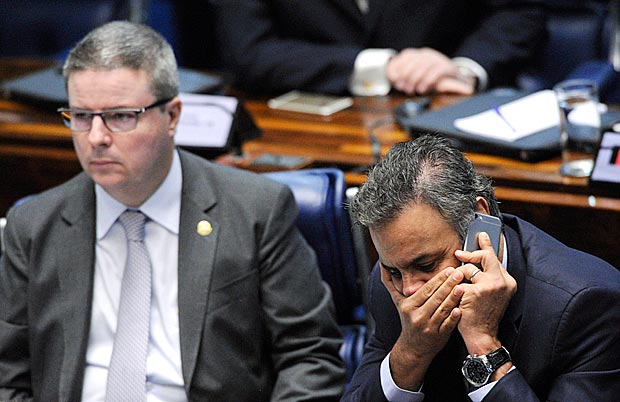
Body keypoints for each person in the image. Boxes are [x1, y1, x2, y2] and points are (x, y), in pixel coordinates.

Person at [0, 21, 345, 401]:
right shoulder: (32, 226)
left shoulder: (255, 212)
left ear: (173, 116)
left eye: (120, 116)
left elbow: (309, 356)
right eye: (81, 117)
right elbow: (8, 377)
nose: (96, 137)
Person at [343, 135, 620, 401]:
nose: (410, 290)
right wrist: (411, 351)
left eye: (426, 264)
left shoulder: (587, 305)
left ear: (479, 222)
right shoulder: (392, 284)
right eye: (394, 270)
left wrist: (484, 347)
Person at [207, 0, 545, 96]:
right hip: (307, 120)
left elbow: (518, 12)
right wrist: (382, 67)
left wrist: (465, 68)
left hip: (439, 109)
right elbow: (248, 51)